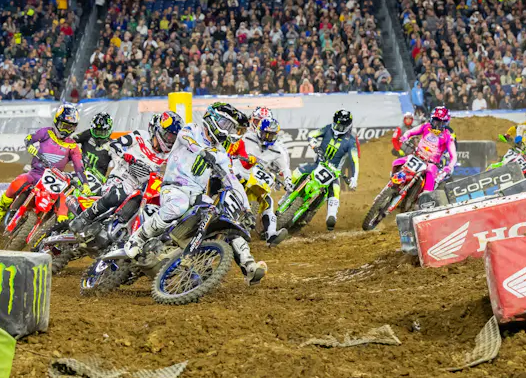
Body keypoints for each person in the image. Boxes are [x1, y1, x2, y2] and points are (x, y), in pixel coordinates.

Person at [119, 102, 268, 285]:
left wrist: (246, 209)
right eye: (226, 124)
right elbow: (186, 140)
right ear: (213, 120)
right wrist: (204, 152)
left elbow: (233, 181)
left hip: (197, 195)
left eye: (231, 127)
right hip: (174, 187)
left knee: (225, 218)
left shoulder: (221, 153)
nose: (228, 130)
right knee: (179, 205)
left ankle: (248, 264)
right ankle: (138, 238)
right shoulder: (191, 129)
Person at [70, 111, 183, 232]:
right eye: (168, 136)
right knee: (117, 195)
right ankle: (85, 217)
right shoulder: (140, 136)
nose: (170, 141)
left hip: (143, 189)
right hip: (122, 177)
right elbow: (115, 144)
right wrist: (124, 154)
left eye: (173, 138)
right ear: (158, 130)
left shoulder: (170, 156)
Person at [0, 103, 91, 228]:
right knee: (18, 183)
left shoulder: (73, 146)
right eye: (64, 126)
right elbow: (29, 138)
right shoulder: (46, 132)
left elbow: (79, 167)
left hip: (55, 180)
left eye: (69, 128)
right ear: (57, 122)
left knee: (63, 203)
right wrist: (30, 146)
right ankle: (0, 210)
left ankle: (56, 230)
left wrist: (85, 184)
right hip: (36, 173)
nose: (65, 130)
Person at [229, 110, 291, 246]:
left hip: (257, 179)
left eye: (271, 135)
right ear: (259, 131)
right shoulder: (247, 138)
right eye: (265, 134)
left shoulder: (278, 150)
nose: (267, 138)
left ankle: (271, 234)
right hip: (237, 174)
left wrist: (288, 181)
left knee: (268, 201)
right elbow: (232, 147)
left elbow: (285, 168)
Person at [293, 110, 359, 232]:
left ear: (347, 126)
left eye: (340, 126)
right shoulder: (328, 128)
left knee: (335, 189)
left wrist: (354, 177)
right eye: (336, 124)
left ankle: (331, 216)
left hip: (334, 173)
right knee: (296, 173)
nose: (337, 127)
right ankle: (286, 197)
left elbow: (354, 160)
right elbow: (313, 134)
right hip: (317, 164)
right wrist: (313, 142)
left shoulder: (351, 141)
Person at [396, 106, 458, 194]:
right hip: (416, 157)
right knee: (396, 162)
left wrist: (450, 167)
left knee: (430, 175)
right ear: (432, 119)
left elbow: (454, 155)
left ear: (445, 123)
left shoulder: (448, 136)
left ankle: (426, 196)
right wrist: (405, 137)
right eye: (435, 121)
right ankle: (393, 183)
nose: (437, 125)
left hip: (431, 163)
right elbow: (411, 132)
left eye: (440, 122)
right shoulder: (426, 126)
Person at [74, 112, 115, 186]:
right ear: (92, 129)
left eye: (102, 133)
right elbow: (70, 141)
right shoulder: (87, 134)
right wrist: (76, 151)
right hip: (80, 175)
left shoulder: (113, 145)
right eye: (96, 132)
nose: (99, 137)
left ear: (109, 131)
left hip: (98, 181)